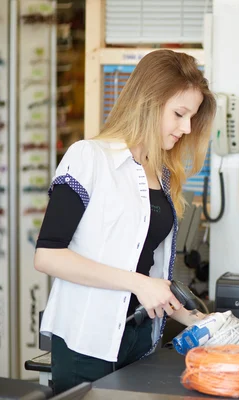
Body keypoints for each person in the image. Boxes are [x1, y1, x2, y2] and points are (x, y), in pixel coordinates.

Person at [34, 49, 216, 394]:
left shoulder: (162, 173)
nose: (186, 128)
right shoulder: (89, 157)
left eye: (191, 117)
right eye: (179, 114)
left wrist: (193, 319)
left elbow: (148, 271)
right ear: (148, 102)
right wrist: (137, 283)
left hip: (138, 337)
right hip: (86, 341)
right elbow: (48, 255)